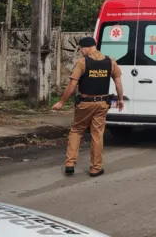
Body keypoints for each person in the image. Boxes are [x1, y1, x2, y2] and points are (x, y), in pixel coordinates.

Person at [52, 37, 124, 177]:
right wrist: (120, 99)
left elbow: (72, 85)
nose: (81, 52)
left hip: (85, 104)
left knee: (77, 130)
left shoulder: (82, 62)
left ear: (86, 48)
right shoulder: (110, 61)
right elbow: (118, 83)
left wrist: (61, 102)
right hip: (102, 104)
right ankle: (96, 168)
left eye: (81, 49)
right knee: (97, 134)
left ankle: (70, 164)